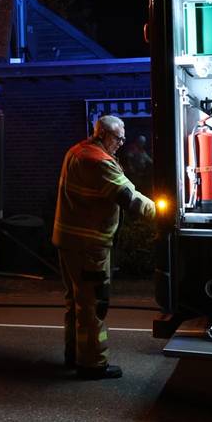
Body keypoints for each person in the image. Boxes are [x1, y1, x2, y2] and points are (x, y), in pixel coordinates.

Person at [52, 115, 156, 380]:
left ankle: (73, 354)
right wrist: (164, 214)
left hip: (68, 241)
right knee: (94, 305)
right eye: (118, 138)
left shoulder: (77, 151)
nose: (122, 143)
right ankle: (93, 363)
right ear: (103, 135)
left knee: (75, 302)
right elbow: (129, 198)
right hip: (90, 246)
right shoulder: (98, 162)